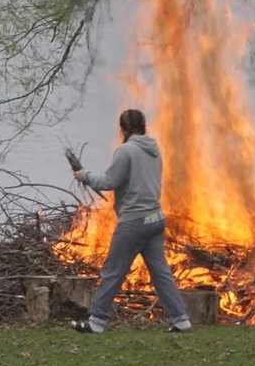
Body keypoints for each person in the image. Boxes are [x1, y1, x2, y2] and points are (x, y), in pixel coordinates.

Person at [66, 108, 194, 334]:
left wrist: (84, 175)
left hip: (133, 221)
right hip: (155, 218)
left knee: (112, 271)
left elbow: (109, 181)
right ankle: (181, 319)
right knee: (160, 272)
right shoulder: (154, 150)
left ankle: (96, 321)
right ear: (143, 126)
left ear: (123, 129)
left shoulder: (125, 151)